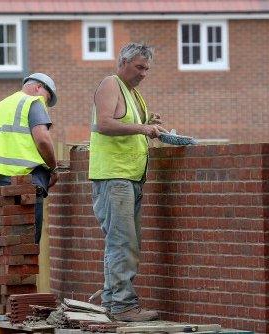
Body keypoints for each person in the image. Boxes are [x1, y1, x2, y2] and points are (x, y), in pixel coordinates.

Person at [89, 43, 166, 322]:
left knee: (124, 242)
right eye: (139, 67)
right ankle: (123, 306)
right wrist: (144, 128)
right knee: (122, 242)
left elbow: (131, 127)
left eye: (147, 68)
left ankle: (114, 302)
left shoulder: (134, 95)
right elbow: (105, 124)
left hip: (130, 177)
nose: (144, 73)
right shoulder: (111, 84)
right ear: (123, 63)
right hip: (113, 176)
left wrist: (150, 122)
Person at [0, 73, 59, 244]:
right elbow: (43, 139)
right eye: (47, 99)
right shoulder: (33, 102)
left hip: (1, 182)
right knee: (27, 245)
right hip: (27, 181)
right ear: (38, 87)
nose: (45, 103)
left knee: (8, 242)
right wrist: (53, 168)